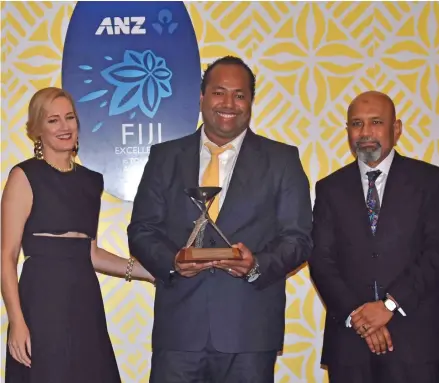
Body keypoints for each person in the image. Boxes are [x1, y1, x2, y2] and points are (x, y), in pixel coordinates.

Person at [127, 55, 313, 383]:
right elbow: (142, 230)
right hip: (179, 335)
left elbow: (298, 238)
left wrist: (257, 264)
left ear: (251, 102)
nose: (229, 103)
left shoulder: (282, 160)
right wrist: (172, 262)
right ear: (201, 97)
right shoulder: (165, 157)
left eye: (240, 95)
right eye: (219, 92)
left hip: (249, 335)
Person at [1, 87, 154, 383]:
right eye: (53, 120)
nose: (64, 126)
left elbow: (91, 253)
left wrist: (147, 272)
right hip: (42, 299)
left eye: (69, 118)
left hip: (84, 298)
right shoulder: (24, 176)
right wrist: (17, 322)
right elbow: (6, 256)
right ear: (37, 131)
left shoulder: (90, 181)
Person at [308, 90, 439, 383]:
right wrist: (361, 317)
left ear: (397, 129)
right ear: (347, 132)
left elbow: (435, 252)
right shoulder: (330, 188)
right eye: (356, 124)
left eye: (376, 122)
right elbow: (321, 259)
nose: (365, 132)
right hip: (350, 343)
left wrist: (390, 305)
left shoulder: (430, 181)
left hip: (415, 343)